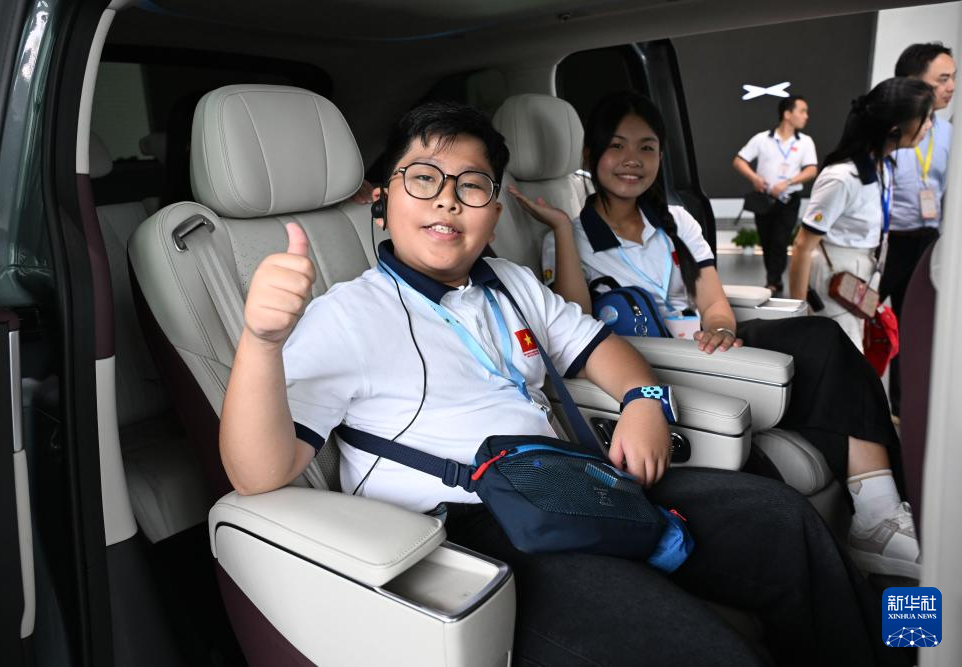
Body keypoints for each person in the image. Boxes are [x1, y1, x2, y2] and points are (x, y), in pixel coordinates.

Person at [220, 100, 906, 666]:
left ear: (494, 210)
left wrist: (644, 401)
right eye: (423, 178)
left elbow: (602, 349)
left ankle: (901, 642)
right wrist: (261, 340)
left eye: (472, 185)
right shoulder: (346, 314)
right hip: (475, 531)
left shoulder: (509, 283)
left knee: (782, 520)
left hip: (574, 482)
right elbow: (258, 474)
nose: (448, 201)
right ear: (382, 200)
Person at [509, 90, 920, 580]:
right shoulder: (568, 238)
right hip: (654, 360)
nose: (632, 160)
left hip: (704, 344)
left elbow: (712, 299)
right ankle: (877, 516)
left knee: (824, 338)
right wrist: (561, 228)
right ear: (590, 154)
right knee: (823, 346)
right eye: (617, 146)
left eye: (647, 147)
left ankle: (879, 512)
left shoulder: (675, 221)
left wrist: (721, 329)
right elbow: (576, 322)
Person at [788, 78, 934, 350]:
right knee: (843, 357)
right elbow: (802, 246)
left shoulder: (882, 167)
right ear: (894, 129)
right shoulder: (843, 177)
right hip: (833, 278)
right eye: (924, 119)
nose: (929, 126)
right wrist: (798, 315)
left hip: (860, 276)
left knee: (853, 356)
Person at [881, 43, 955, 418]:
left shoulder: (949, 132)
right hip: (886, 242)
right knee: (860, 323)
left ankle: (902, 409)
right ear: (913, 81)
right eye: (942, 79)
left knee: (914, 328)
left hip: (928, 243)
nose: (951, 87)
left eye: (953, 78)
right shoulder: (886, 129)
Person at [733, 95, 818, 295]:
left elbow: (811, 170)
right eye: (802, 111)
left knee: (781, 239)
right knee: (766, 240)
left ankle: (773, 281)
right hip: (765, 199)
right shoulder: (762, 139)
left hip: (789, 199)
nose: (806, 116)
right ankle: (773, 278)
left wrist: (788, 182)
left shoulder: (805, 142)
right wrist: (754, 178)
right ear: (787, 114)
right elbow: (739, 161)